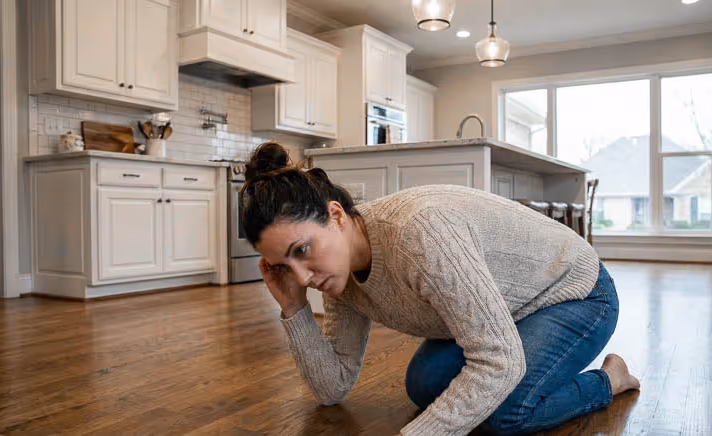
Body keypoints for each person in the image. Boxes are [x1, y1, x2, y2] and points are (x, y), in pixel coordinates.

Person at [241, 142, 640, 436]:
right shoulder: (338, 278)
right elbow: (333, 387)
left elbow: (499, 361)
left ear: (335, 215)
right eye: (284, 265)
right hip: (510, 305)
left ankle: (610, 380)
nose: (303, 276)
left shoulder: (420, 234)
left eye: (303, 250)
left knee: (508, 413)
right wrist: (294, 308)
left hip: (576, 292)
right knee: (423, 384)